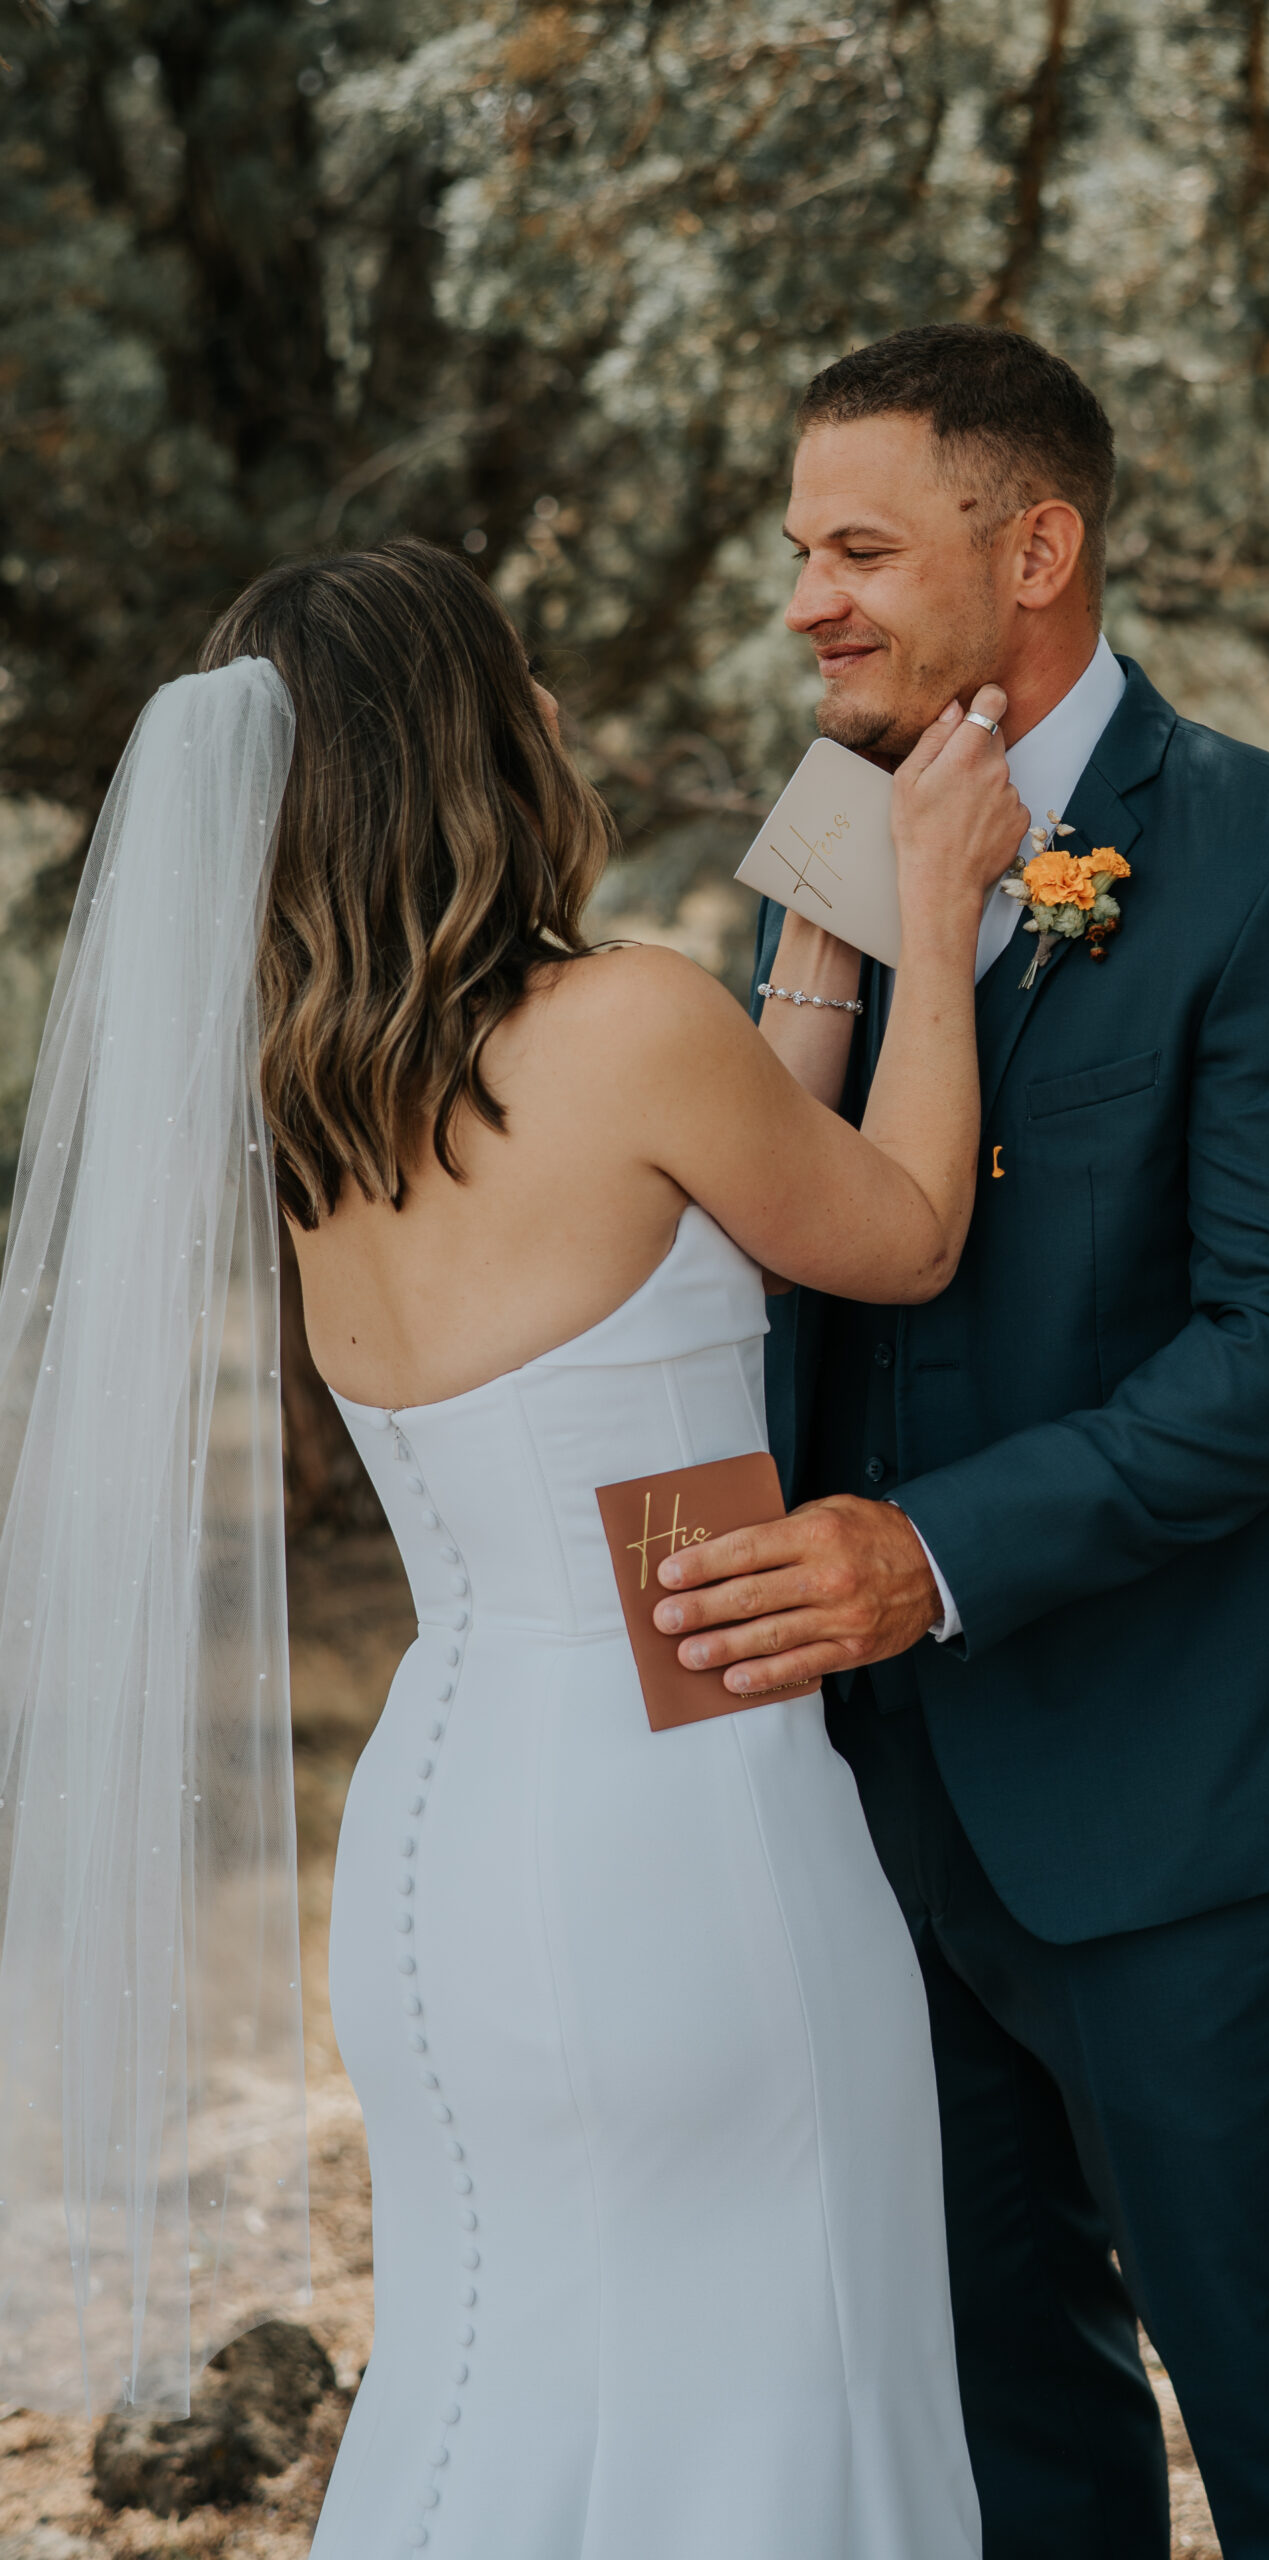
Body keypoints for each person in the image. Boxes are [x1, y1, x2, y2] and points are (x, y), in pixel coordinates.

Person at [0, 534, 1028, 2556]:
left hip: (447, 1841)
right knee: (778, 2369)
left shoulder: (310, 1097)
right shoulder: (628, 1017)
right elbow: (899, 1230)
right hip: (681, 1814)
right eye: (516, 673)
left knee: (511, 2383)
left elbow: (706, 1216)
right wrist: (930, 897)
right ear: (459, 745)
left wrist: (819, 948)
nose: (552, 703)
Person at [651, 323, 1269, 2557]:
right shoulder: (823, 862)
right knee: (998, 2404)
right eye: (799, 550)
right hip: (871, 1798)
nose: (806, 600)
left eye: (859, 550)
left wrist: (925, 1553)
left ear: (1038, 547)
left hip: (1175, 1784)